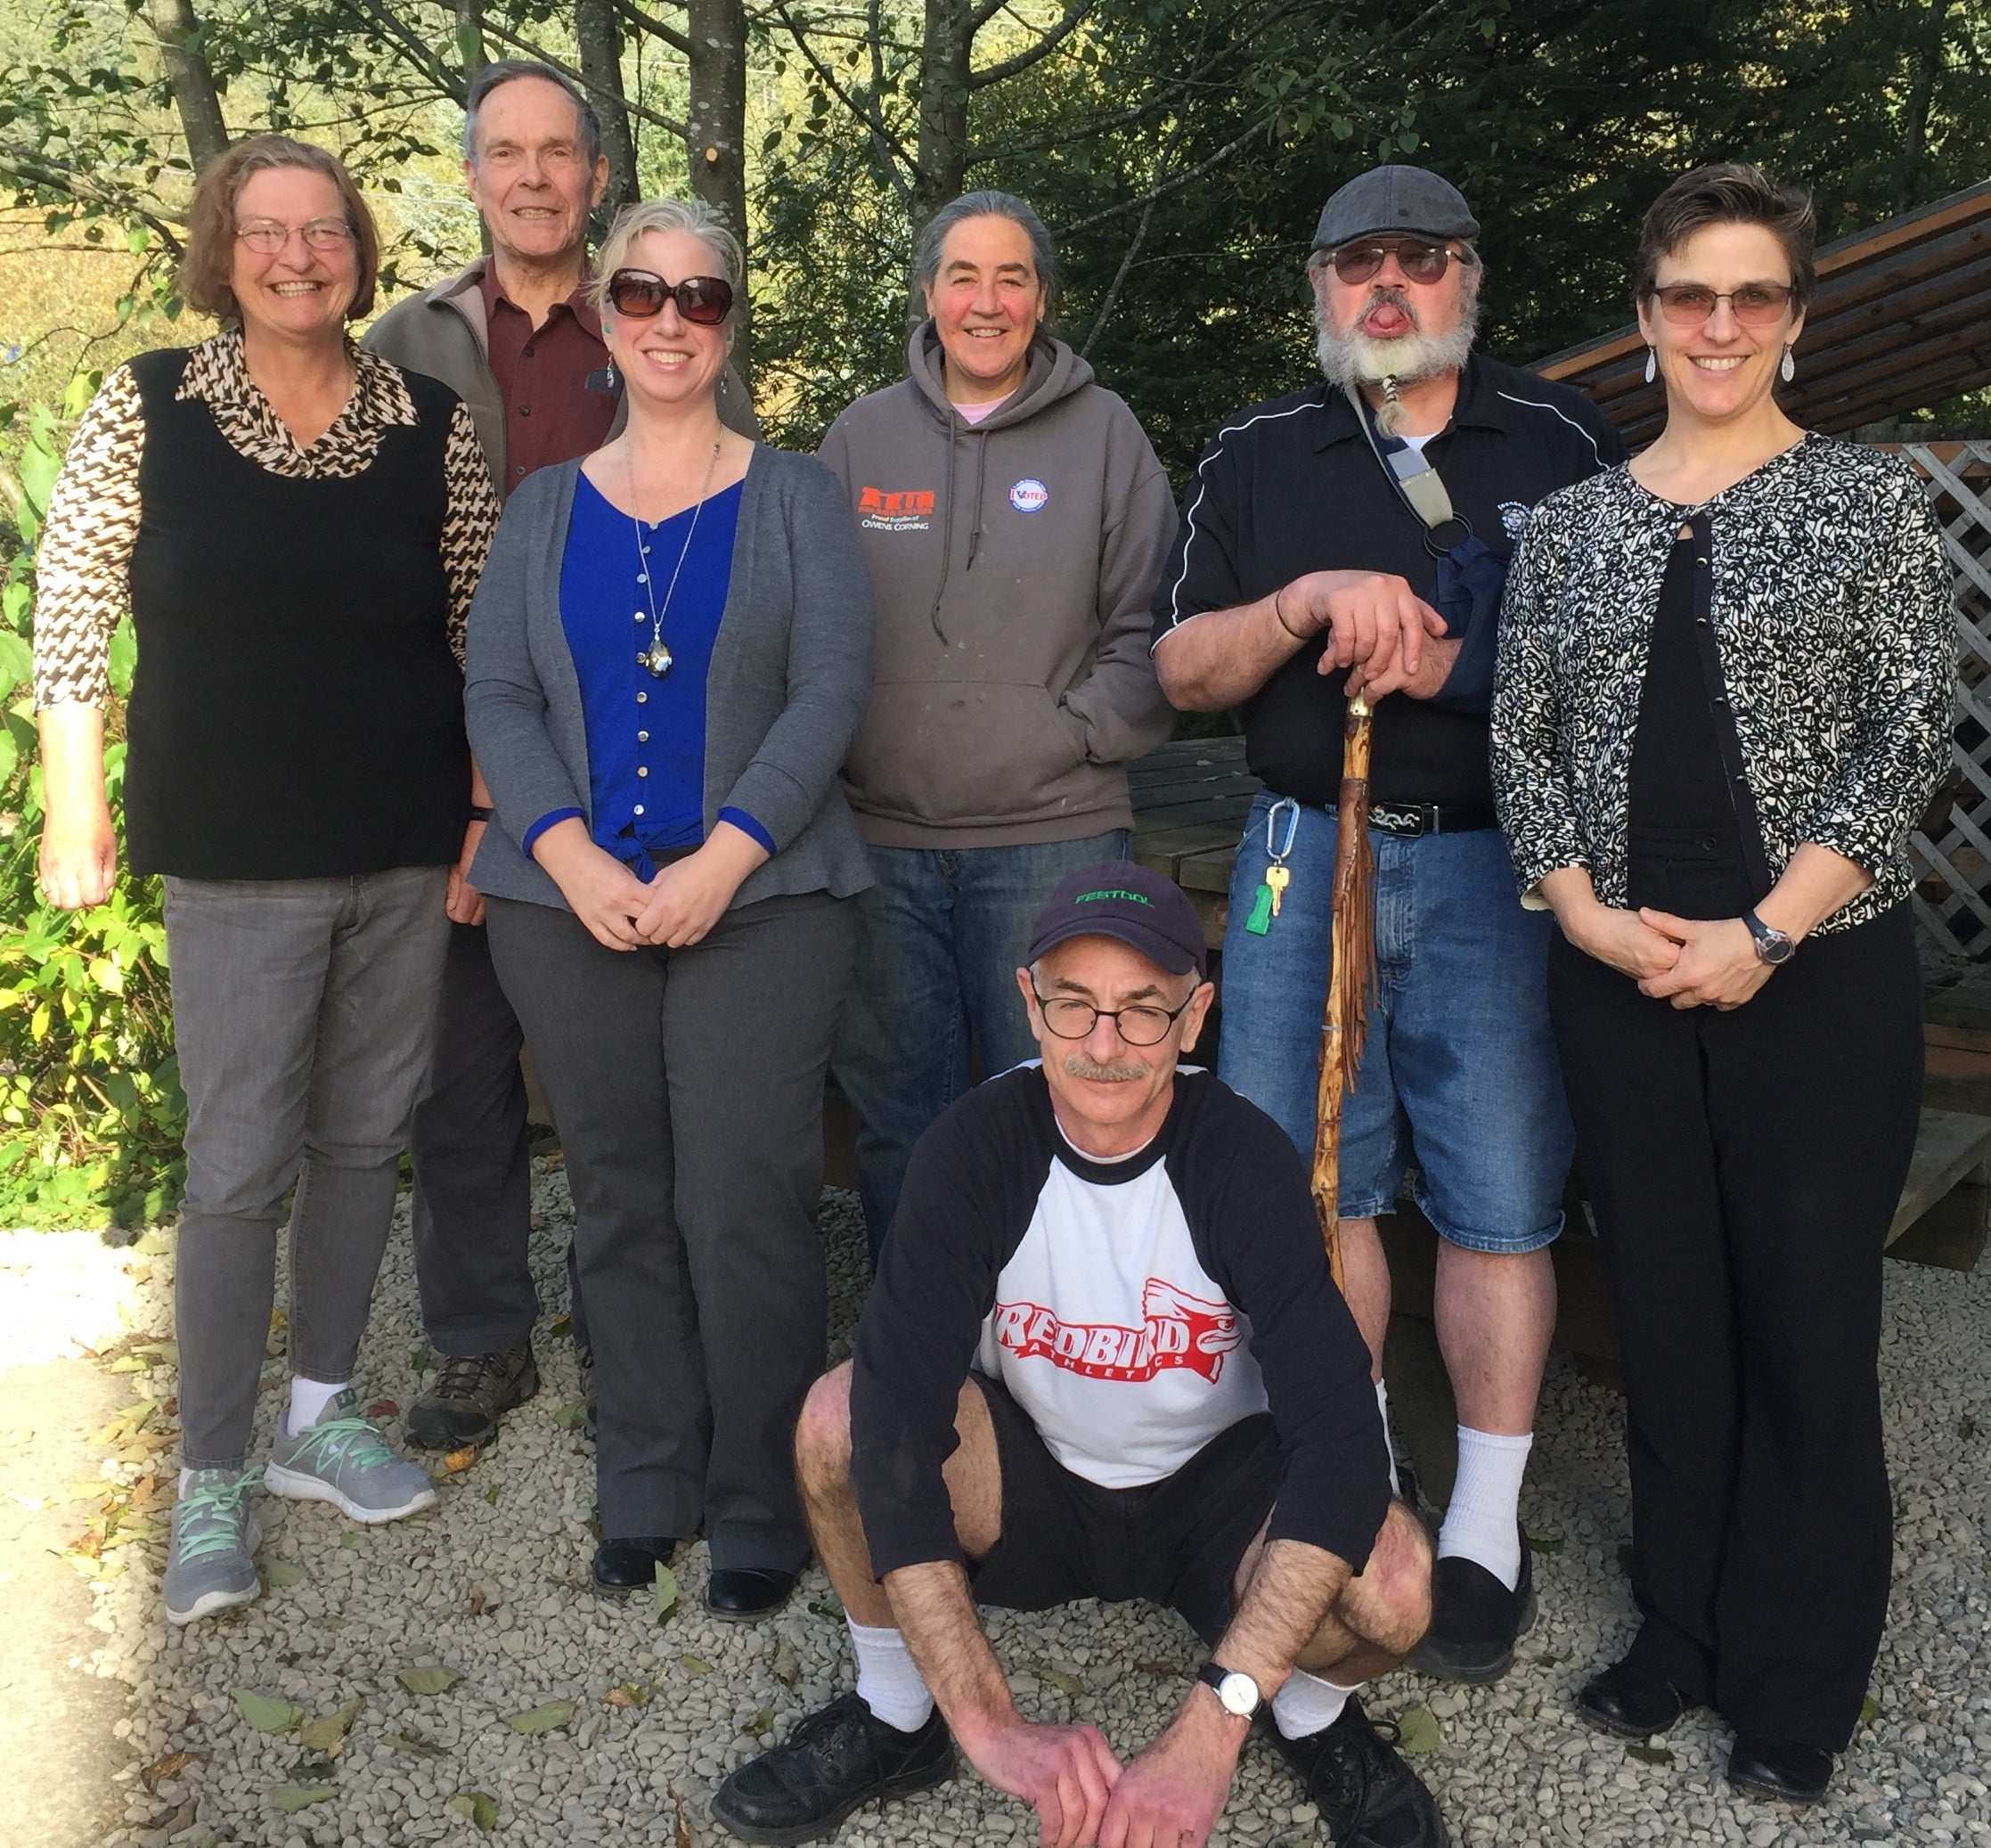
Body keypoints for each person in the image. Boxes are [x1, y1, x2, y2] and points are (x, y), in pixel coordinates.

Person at [1489, 163, 1953, 1804]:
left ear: (1796, 320)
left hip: (1814, 981)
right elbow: (1521, 744)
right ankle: (1679, 1629)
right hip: (1617, 983)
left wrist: (1763, 930)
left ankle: (1796, 1674)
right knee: (1670, 1321)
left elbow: (1909, 738)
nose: (1721, 323)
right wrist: (1593, 923)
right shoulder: (1575, 528)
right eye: (1692, 293)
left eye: (1755, 295)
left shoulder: (1869, 504)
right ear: (1646, 315)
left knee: (1807, 1322)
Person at [1152, 164, 1626, 1683]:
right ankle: (1352, 1477)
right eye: (1358, 262)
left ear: (1469, 276)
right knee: (1316, 1185)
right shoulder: (1262, 451)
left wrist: (1452, 663)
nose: (1388, 288)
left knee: (1498, 1195)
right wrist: (1302, 605)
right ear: (1320, 284)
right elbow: (1181, 669)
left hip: (1503, 866)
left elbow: (1618, 670)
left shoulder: (1557, 441)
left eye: (1420, 259)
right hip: (1301, 861)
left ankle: (1487, 1512)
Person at [714, 864, 1440, 1848]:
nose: (1105, 1045)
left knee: (1395, 1581)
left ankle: (1309, 1718)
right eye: (1074, 1005)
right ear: (1030, 1003)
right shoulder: (972, 1149)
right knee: (838, 1420)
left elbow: (1345, 1448)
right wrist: (989, 1723)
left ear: (1195, 1018)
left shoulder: (1244, 1159)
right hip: (1032, 1479)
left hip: (1213, 1500)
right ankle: (898, 1715)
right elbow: (893, 1422)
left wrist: (1211, 1727)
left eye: (1144, 1011)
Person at [31, 135, 500, 1623]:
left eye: (326, 233)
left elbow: (485, 631)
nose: (301, 256)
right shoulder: (148, 407)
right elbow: (70, 600)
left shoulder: (431, 421)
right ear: (221, 253)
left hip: (406, 837)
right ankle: (215, 1468)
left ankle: (321, 1411)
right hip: (232, 847)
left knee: (368, 1133)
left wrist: (487, 811)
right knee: (238, 1165)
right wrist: (71, 810)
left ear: (359, 253)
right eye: (267, 233)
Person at [463, 197, 874, 1619]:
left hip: (763, 903)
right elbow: (499, 697)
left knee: (744, 1197)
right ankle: (646, 1473)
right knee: (620, 1196)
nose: (668, 319)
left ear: (727, 322)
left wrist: (724, 856)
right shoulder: (541, 508)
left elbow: (828, 689)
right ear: (610, 315)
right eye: (642, 291)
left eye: (700, 297)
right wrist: (571, 854)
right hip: (561, 905)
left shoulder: (799, 496)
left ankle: (764, 1493)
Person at [364, 60, 756, 1452]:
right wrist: (478, 796)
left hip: (636, 766)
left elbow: (728, 528)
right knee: (457, 1063)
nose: (530, 176)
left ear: (594, 175)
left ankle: (628, 1330)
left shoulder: (657, 311)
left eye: (555, 153)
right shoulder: (402, 343)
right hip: (453, 751)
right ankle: (478, 1338)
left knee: (625, 1077)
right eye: (503, 153)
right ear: (471, 176)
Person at [820, 190, 1178, 1266]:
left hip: (1052, 837)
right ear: (928, 294)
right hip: (881, 844)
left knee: (1060, 1109)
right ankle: (918, 1359)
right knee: (901, 1126)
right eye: (962, 276)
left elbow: (1153, 625)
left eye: (1010, 277)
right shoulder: (858, 437)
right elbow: (811, 629)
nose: (986, 301)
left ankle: (1048, 1363)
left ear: (1042, 297)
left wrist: (1067, 736)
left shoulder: (1105, 434)